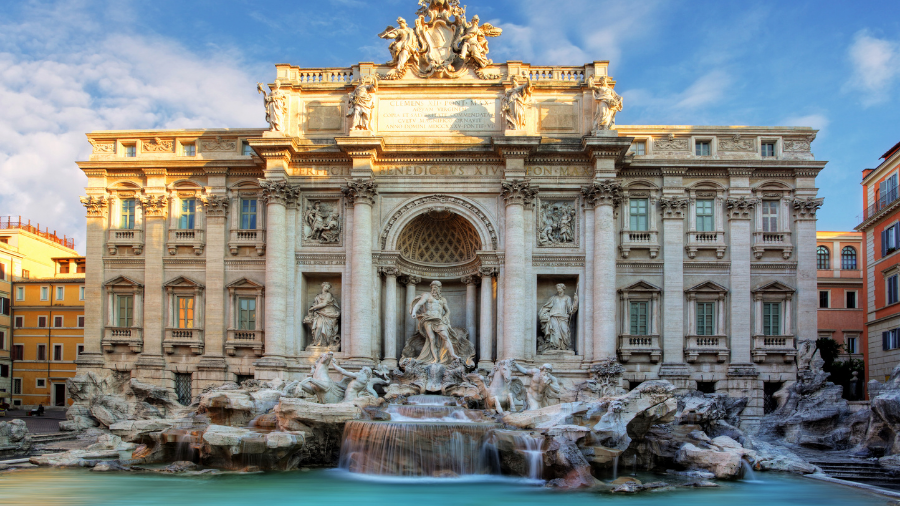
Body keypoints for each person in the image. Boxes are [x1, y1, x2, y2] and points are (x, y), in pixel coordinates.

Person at [410, 280, 461, 363]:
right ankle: (435, 358)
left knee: (445, 336)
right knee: (432, 339)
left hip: (439, 320)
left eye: (436, 287)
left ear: (439, 289)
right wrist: (413, 312)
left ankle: (452, 354)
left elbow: (448, 311)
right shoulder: (427, 295)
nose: (434, 289)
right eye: (433, 287)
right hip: (428, 319)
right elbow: (419, 303)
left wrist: (446, 317)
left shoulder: (443, 299)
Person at [538, 283, 578, 352]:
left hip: (563, 317)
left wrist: (575, 301)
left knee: (565, 331)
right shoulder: (553, 298)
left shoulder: (567, 298)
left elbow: (570, 310)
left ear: (563, 289)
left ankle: (564, 347)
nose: (558, 290)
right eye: (557, 289)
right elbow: (546, 307)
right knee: (555, 332)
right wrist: (543, 314)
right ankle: (555, 347)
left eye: (559, 288)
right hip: (553, 317)